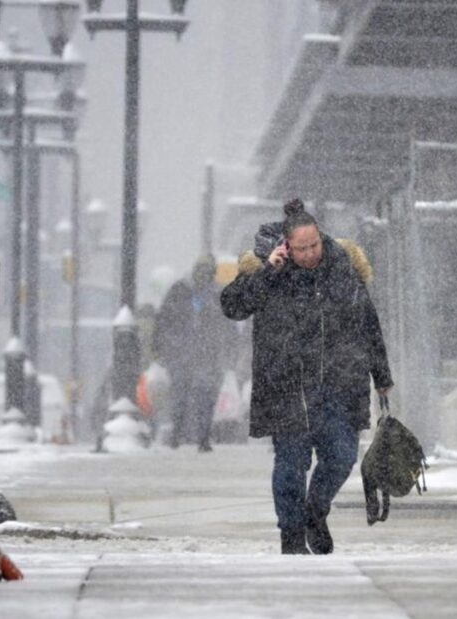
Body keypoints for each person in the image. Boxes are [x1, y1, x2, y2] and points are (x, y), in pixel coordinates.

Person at [220, 199, 394, 555]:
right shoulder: (266, 269)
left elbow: (368, 322)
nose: (311, 253)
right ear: (286, 246)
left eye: (314, 244)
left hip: (339, 384)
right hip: (287, 387)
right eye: (302, 248)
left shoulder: (343, 265)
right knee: (291, 464)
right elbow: (233, 306)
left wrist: (381, 374)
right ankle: (291, 536)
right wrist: (269, 271)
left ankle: (316, 510)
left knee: (343, 455)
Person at [153, 254, 236, 452]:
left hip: (207, 354)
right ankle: (179, 433)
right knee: (181, 393)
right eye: (201, 270)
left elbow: (228, 325)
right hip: (183, 352)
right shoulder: (180, 291)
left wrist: (229, 350)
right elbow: (164, 320)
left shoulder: (217, 294)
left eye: (207, 271)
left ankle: (201, 436)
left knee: (205, 396)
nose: (204, 275)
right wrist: (161, 346)